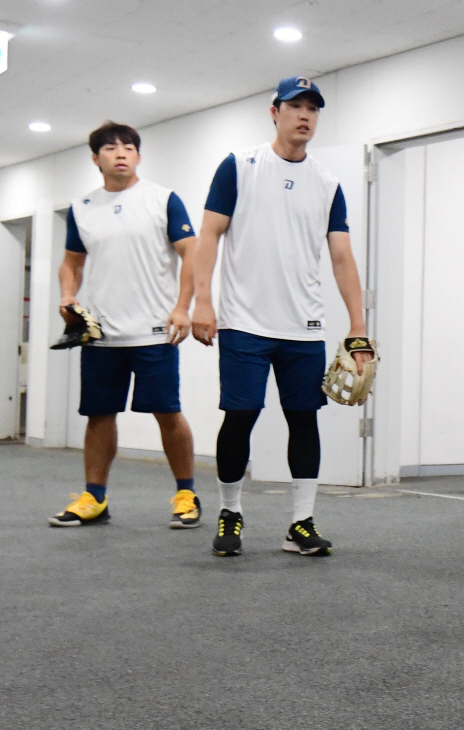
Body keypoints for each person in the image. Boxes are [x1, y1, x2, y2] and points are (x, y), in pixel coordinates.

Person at [191, 76, 371, 557]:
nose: (305, 115)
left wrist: (358, 327)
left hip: (303, 327)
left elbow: (341, 258)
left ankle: (301, 523)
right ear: (275, 112)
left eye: (313, 108)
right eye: (295, 106)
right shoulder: (239, 167)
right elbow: (208, 236)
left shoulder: (328, 183)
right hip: (243, 322)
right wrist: (201, 301)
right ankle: (231, 514)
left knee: (304, 420)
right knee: (241, 416)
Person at [49, 122, 200, 529]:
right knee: (99, 415)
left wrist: (183, 307)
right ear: (95, 158)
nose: (121, 153)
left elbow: (191, 253)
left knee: (168, 413)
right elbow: (71, 263)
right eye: (112, 148)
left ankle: (186, 493)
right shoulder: (82, 207)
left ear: (137, 155)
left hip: (154, 330)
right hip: (99, 333)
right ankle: (94, 497)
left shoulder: (162, 199)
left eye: (129, 147)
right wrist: (68, 296)